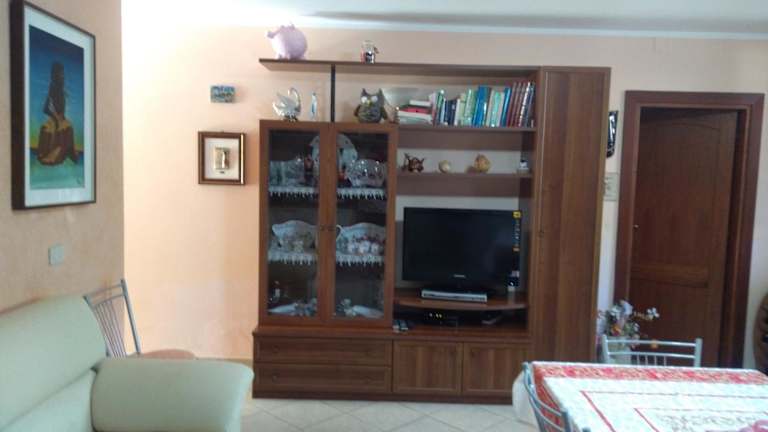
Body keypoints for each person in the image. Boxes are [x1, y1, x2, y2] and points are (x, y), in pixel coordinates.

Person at [36, 62, 76, 165]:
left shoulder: (59, 89)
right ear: (54, 76)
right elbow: (45, 109)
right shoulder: (53, 88)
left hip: (60, 119)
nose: (63, 77)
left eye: (63, 74)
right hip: (56, 119)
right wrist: (56, 119)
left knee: (68, 129)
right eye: (60, 74)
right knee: (67, 130)